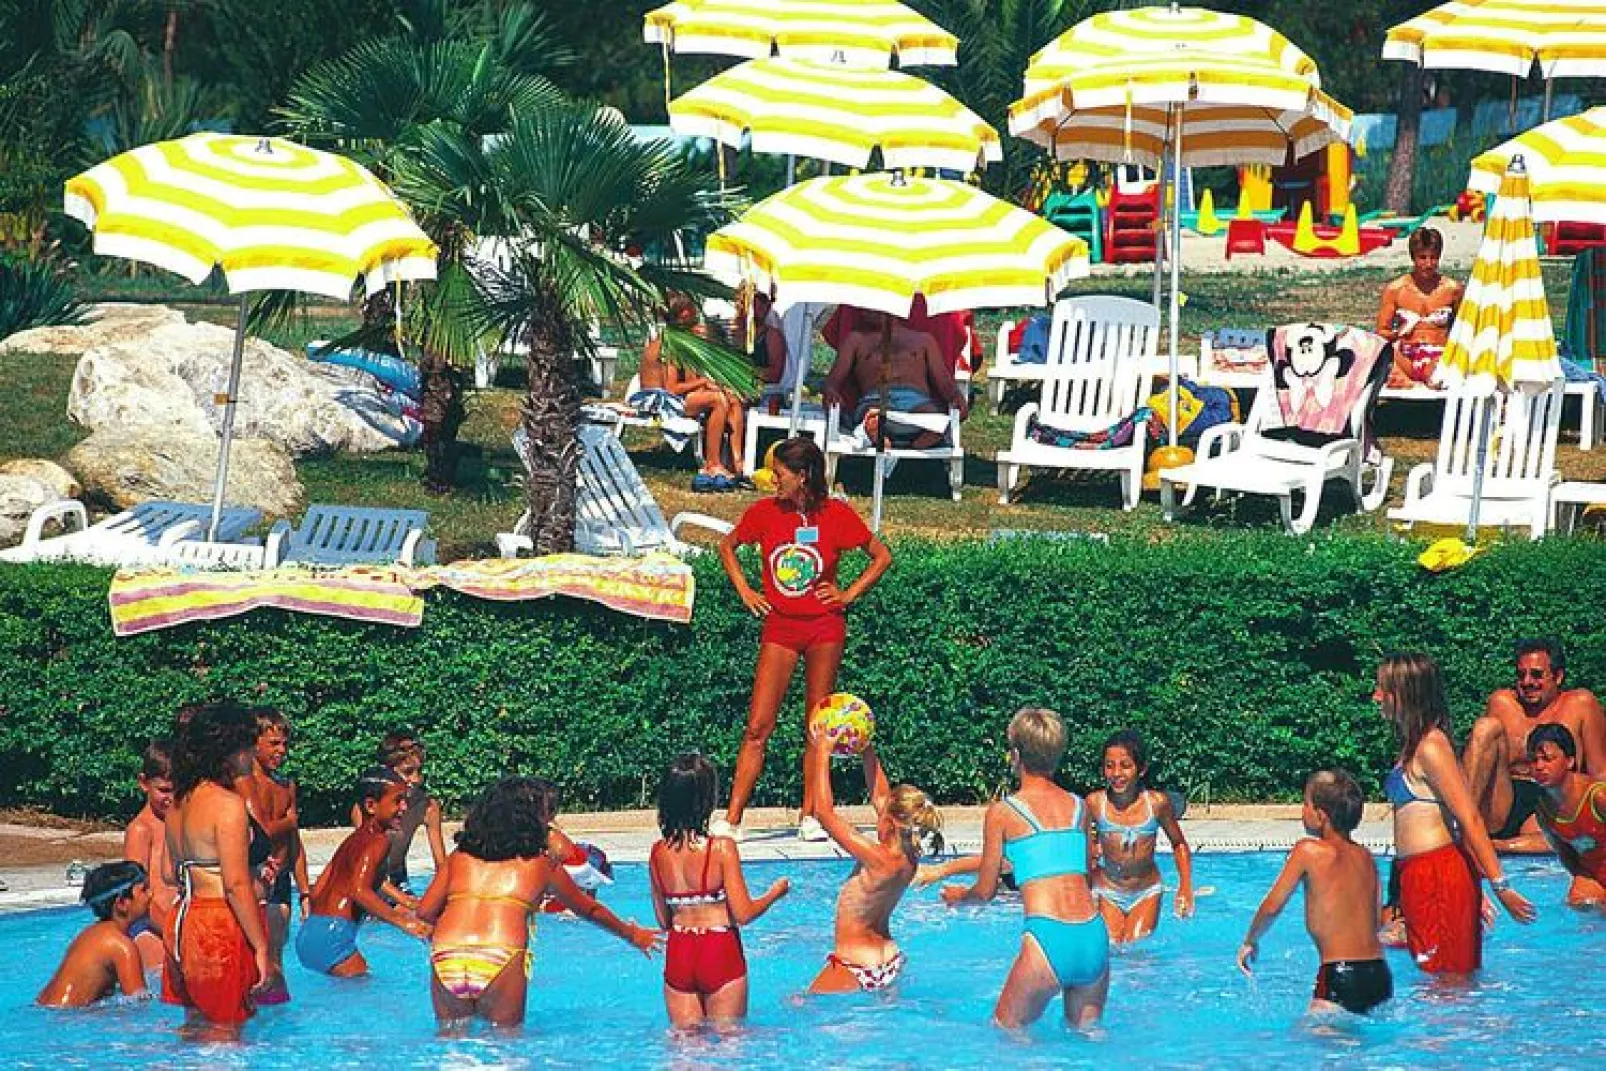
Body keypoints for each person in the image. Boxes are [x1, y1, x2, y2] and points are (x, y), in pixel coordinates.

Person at [714, 436, 893, 842]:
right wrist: (745, 591)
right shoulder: (764, 512)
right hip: (781, 627)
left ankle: (810, 814)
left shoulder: (836, 515)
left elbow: (881, 556)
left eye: (780, 474)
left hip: (824, 628)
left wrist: (848, 594)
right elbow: (728, 546)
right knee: (758, 725)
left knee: (817, 724)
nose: (773, 480)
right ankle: (733, 817)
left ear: (803, 475)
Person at [419, 777, 661, 1029]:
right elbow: (589, 909)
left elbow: (425, 911)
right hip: (500, 952)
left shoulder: (458, 858)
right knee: (506, 1042)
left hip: (447, 953)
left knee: (450, 1040)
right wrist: (632, 935)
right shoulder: (542, 866)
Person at [942, 707, 1108, 1030]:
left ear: (1016, 755)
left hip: (1048, 936)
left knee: (1007, 1032)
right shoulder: (1080, 806)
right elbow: (1086, 878)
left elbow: (986, 891)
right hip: (1093, 936)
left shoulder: (1003, 813)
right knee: (1088, 1037)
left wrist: (959, 897)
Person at [1376, 653, 1535, 975]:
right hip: (1419, 875)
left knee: (1449, 983)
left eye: (1383, 689)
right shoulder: (1413, 745)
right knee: (1435, 980)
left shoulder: (1432, 746)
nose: (1376, 696)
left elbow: (1468, 817)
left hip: (1438, 874)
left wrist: (1500, 885)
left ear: (1405, 693)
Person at [648, 753, 790, 1029]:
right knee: (729, 1043)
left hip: (680, 951)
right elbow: (744, 914)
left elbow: (664, 921)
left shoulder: (657, 853)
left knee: (684, 1046)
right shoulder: (722, 849)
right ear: (707, 800)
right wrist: (775, 893)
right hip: (718, 948)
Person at [1237, 770, 1392, 1016]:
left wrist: (1250, 940)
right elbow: (1376, 921)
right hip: (1379, 975)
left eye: (1305, 803)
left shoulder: (1307, 851)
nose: (1302, 810)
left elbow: (1272, 906)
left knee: (1308, 1038)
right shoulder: (1367, 857)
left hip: (1340, 975)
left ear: (1321, 816)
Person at [161, 701, 274, 1037]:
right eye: (248, 746)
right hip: (217, 927)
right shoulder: (228, 805)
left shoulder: (177, 803)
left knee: (195, 1028)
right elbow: (236, 886)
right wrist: (262, 947)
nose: (252, 754)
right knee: (226, 1034)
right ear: (229, 753)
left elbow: (170, 873)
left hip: (181, 923)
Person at [805, 729, 942, 995]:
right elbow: (881, 797)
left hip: (854, 963)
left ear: (889, 823)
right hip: (889, 959)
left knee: (799, 1006)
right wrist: (866, 748)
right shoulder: (910, 856)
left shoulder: (877, 858)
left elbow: (824, 813)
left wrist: (821, 752)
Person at [1464, 638, 1606, 853]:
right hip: (1503, 801)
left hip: (1553, 800)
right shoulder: (1502, 703)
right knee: (1485, 727)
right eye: (1521, 675)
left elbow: (1600, 773)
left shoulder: (1580, 704)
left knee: (1554, 827)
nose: (1527, 682)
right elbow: (1479, 762)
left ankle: (1497, 845)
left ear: (1558, 676)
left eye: (1537, 675)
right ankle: (1461, 823)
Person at [300, 766, 431, 977]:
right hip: (336, 935)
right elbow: (359, 890)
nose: (404, 807)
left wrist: (407, 902)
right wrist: (403, 922)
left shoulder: (352, 841)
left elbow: (319, 889)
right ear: (371, 806)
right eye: (398, 801)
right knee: (367, 991)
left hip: (310, 932)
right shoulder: (379, 841)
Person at [635, 293, 751, 493]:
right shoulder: (669, 345)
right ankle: (712, 463)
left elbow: (689, 381)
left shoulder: (681, 343)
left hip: (674, 397)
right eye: (691, 320)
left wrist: (711, 384)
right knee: (717, 400)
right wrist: (705, 384)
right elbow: (672, 388)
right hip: (659, 401)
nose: (695, 325)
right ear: (680, 318)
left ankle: (737, 463)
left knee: (732, 398)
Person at [1086, 729, 1193, 944]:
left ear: (1141, 769)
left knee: (1136, 950)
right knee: (1112, 947)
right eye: (1109, 765)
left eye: (1125, 765)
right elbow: (1084, 849)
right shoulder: (1095, 803)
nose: (1116, 773)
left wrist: (1185, 887)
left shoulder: (1156, 804)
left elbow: (1179, 844)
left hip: (1146, 892)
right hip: (1108, 891)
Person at [236, 708, 307, 1004]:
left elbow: (295, 843)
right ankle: (262, 1009)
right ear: (254, 744)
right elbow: (264, 829)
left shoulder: (286, 785)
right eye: (274, 744)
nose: (281, 751)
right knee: (259, 954)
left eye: (285, 744)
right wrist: (289, 820)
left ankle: (274, 1012)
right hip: (257, 876)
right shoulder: (245, 783)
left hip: (280, 879)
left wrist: (305, 891)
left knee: (275, 954)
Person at [822, 310, 966, 449]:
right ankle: (878, 434)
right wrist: (831, 391)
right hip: (875, 398)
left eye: (871, 307)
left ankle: (921, 439)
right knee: (871, 415)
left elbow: (944, 381)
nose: (864, 312)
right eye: (864, 308)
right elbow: (834, 378)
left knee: (935, 416)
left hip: (916, 400)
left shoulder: (923, 340)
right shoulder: (856, 340)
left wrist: (955, 396)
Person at [37, 861, 151, 1008]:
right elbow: (139, 1005)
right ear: (122, 903)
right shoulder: (121, 946)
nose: (151, 894)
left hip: (46, 1009)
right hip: (66, 1017)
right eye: (144, 890)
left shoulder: (90, 934)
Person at [352, 730, 448, 903]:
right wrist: (409, 903)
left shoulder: (427, 807)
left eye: (419, 771)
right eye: (408, 772)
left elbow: (441, 867)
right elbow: (368, 869)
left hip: (397, 876)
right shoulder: (368, 809)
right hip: (368, 878)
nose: (416, 779)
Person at [1526, 724, 1606, 908]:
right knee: (1581, 902)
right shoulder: (1544, 810)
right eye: (1533, 760)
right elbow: (1565, 853)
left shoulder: (1598, 797)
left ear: (1570, 761)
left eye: (1548, 759)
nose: (1539, 766)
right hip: (1593, 875)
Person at [1375, 226, 1463, 388]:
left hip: (1437, 354)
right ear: (1413, 257)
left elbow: (1465, 329)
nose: (1428, 264)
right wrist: (1399, 332)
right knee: (1378, 354)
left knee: (1438, 373)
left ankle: (1425, 381)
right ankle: (1404, 381)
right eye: (1422, 257)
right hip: (1405, 356)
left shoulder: (1452, 289)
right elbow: (1381, 332)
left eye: (1433, 258)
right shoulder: (1395, 290)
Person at [122, 738, 176, 971]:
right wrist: (172, 933)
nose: (171, 798)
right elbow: (135, 893)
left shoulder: (178, 822)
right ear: (144, 783)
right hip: (148, 925)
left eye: (178, 790)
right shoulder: (141, 830)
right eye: (164, 790)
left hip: (174, 925)